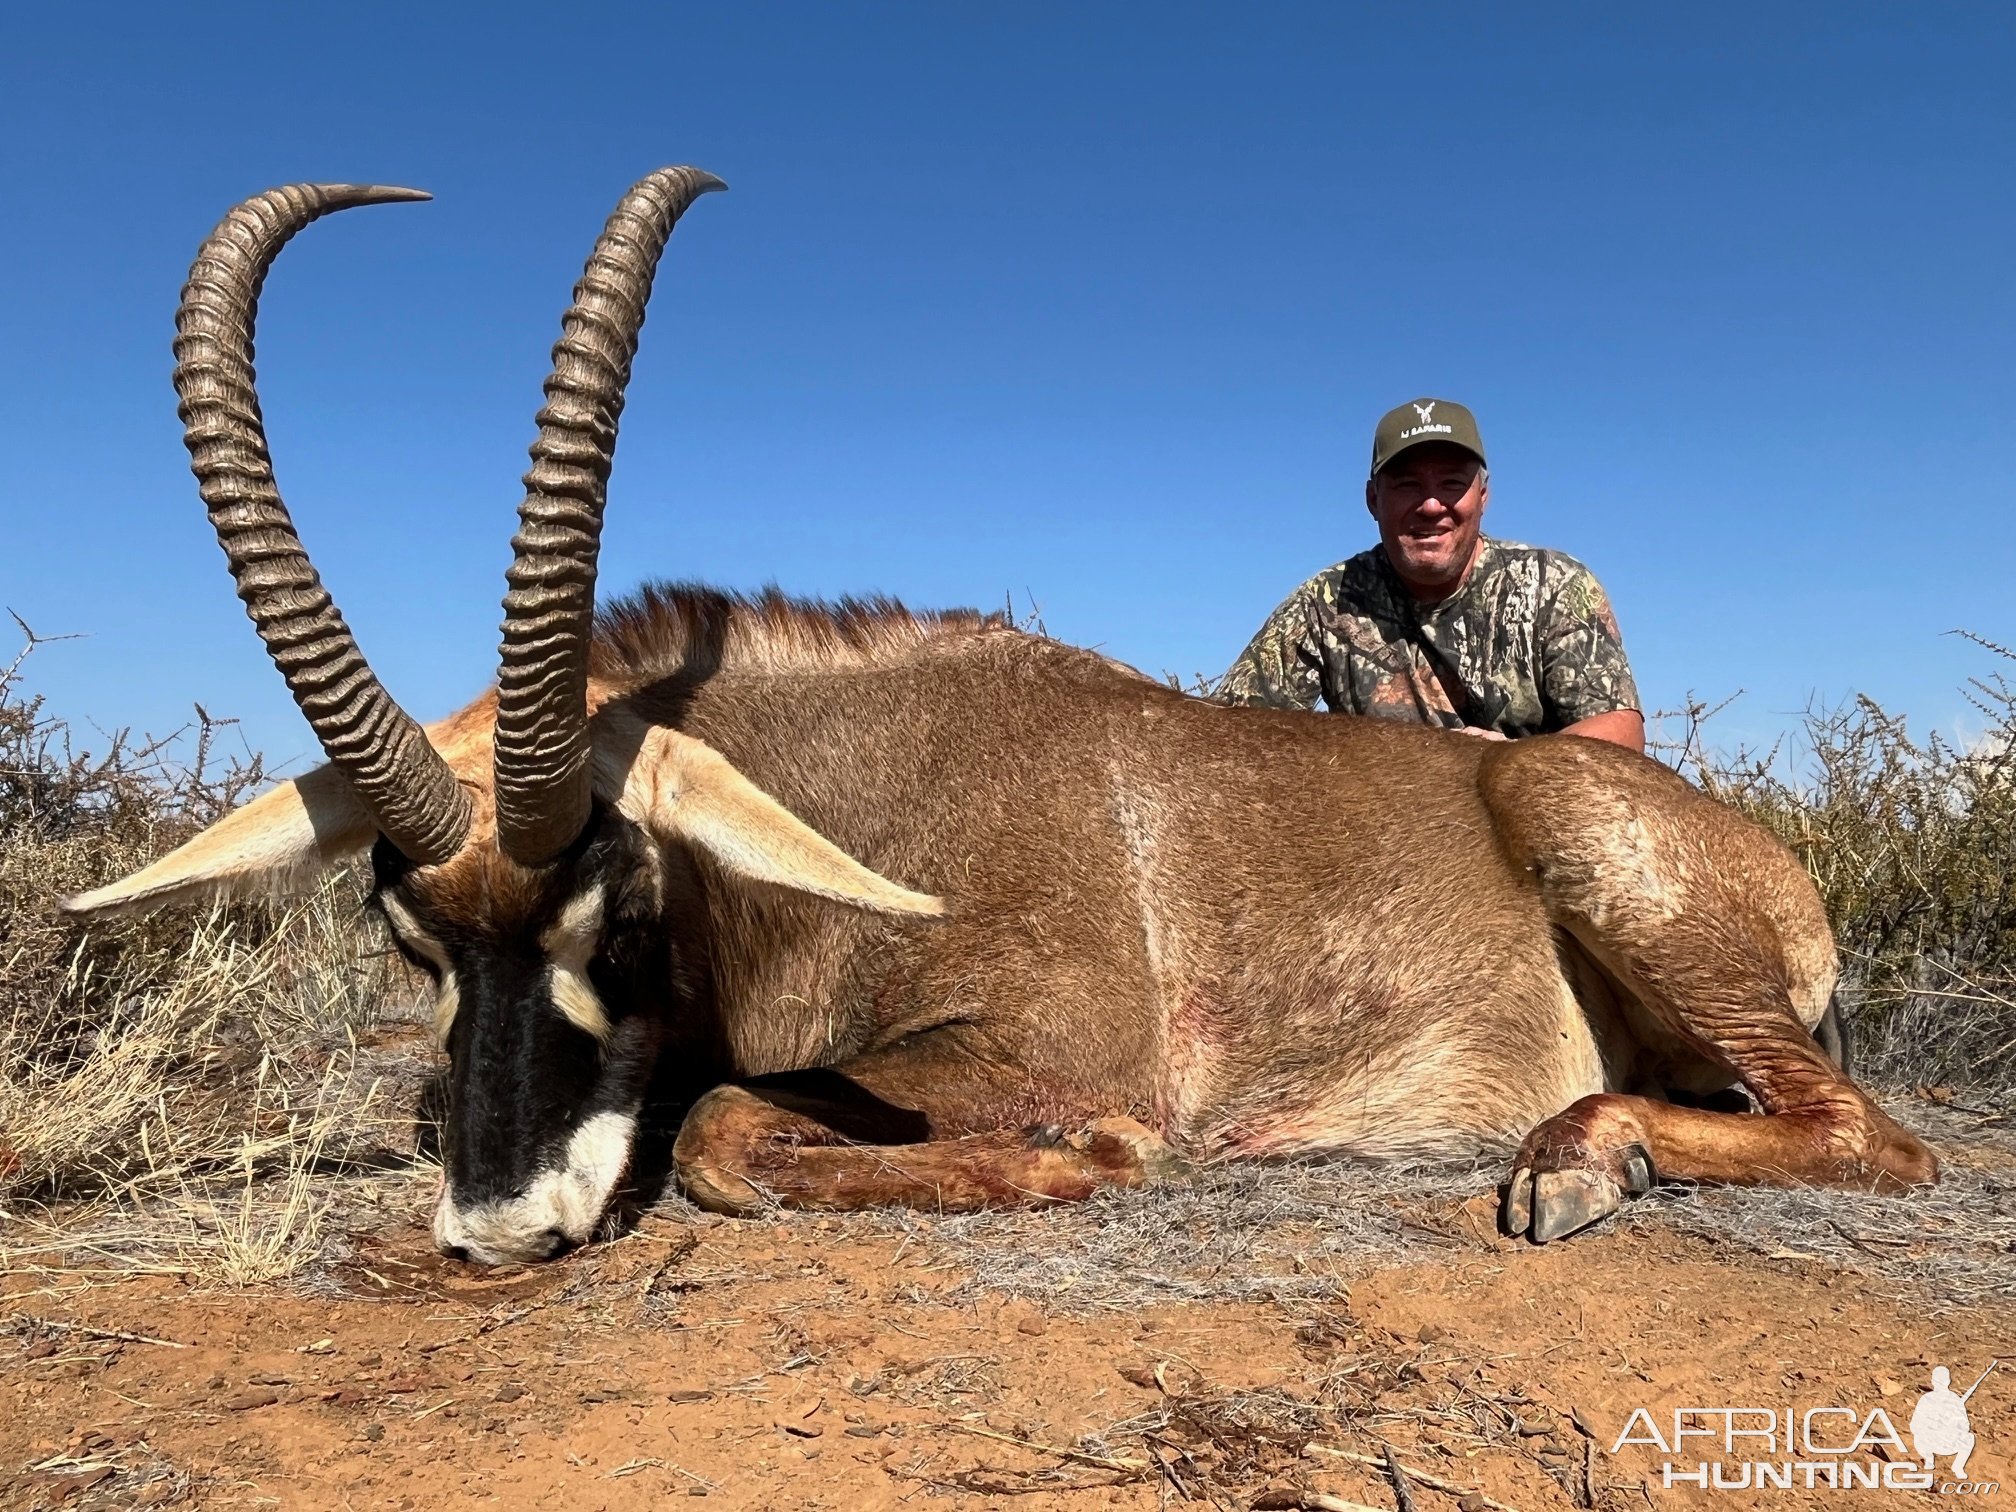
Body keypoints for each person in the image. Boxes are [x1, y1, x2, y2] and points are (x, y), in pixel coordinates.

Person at [1217, 398, 1644, 751]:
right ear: (1372, 500)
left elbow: (1621, 734)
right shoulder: (1326, 602)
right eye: (1407, 485)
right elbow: (1225, 732)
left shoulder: (1554, 584)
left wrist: (1508, 761)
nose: (1431, 506)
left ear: (1483, 496)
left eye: (1452, 484)